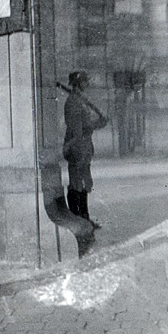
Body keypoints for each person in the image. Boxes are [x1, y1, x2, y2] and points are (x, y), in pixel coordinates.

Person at [63, 71, 108, 227]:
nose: (87, 84)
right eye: (85, 81)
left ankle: (84, 217)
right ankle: (76, 218)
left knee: (84, 182)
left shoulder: (80, 100)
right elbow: (78, 129)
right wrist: (98, 123)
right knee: (76, 183)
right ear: (79, 83)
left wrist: (99, 122)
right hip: (76, 146)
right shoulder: (73, 102)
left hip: (84, 146)